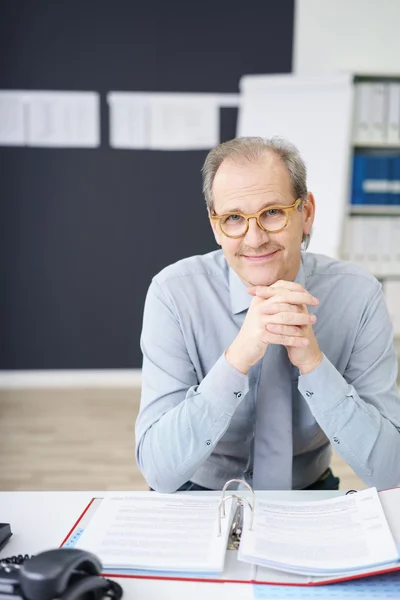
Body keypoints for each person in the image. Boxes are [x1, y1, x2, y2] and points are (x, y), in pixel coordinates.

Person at [135, 136, 400, 493]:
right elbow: (159, 471)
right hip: (196, 494)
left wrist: (314, 364)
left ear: (305, 213)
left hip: (308, 493)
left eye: (272, 212)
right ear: (216, 227)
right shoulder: (173, 294)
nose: (255, 238)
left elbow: (391, 472)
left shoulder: (359, 296)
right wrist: (236, 359)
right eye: (233, 218)